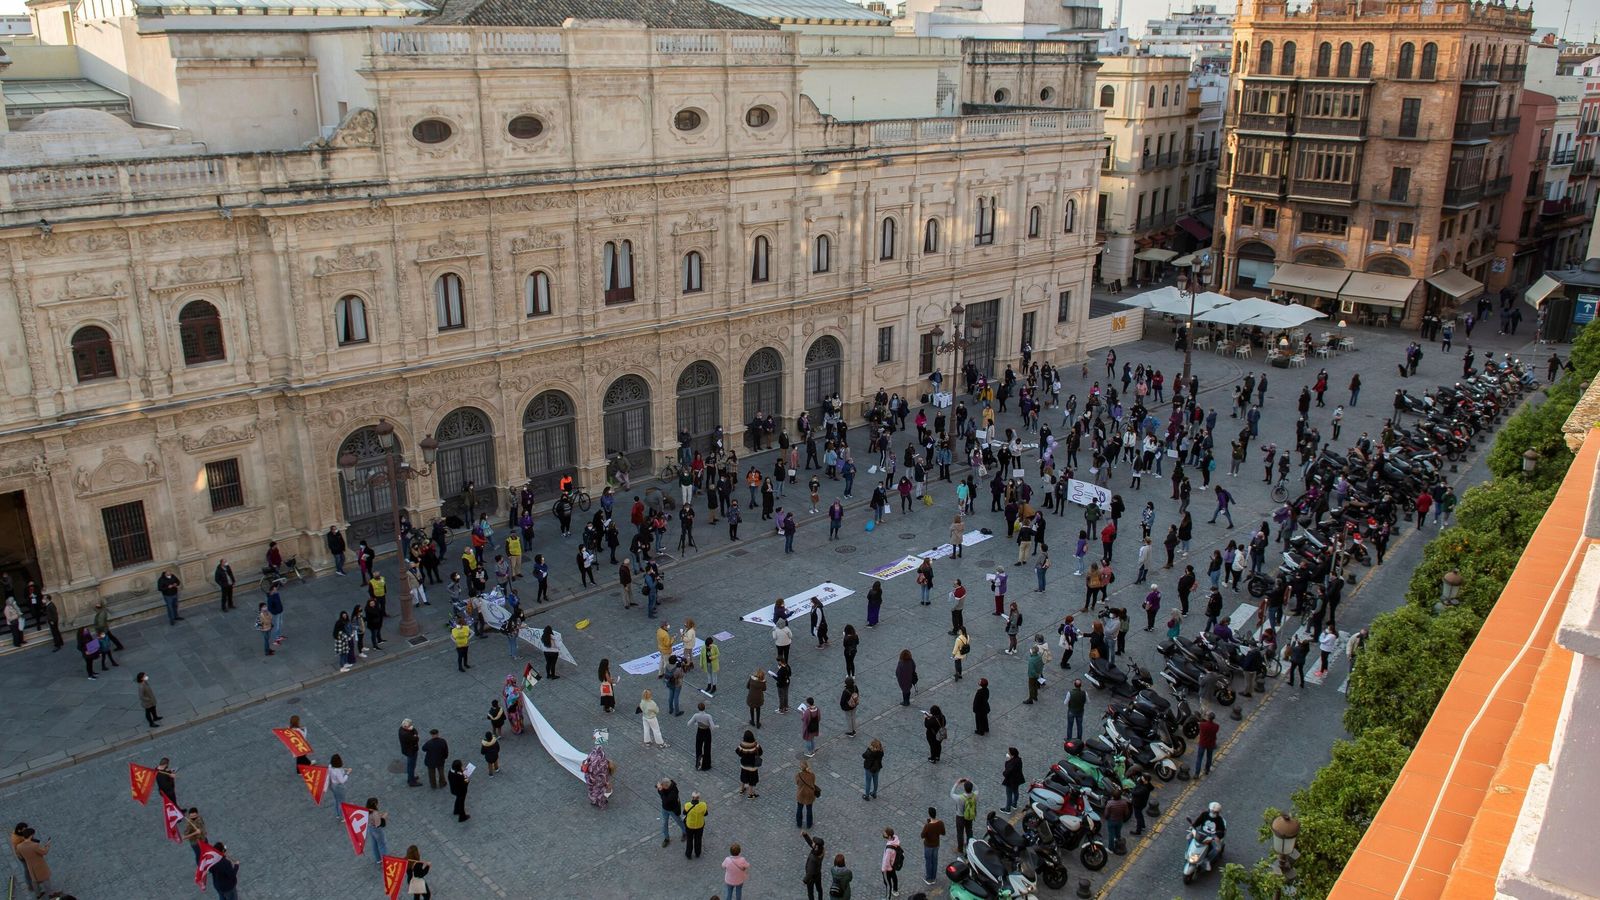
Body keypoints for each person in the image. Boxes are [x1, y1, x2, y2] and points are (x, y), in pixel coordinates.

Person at [1192, 801, 1228, 870]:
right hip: (1201, 833)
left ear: (1218, 812)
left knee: (1217, 850)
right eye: (1212, 811)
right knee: (1189, 838)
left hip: (1211, 837)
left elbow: (1222, 831)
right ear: (1209, 809)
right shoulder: (1204, 814)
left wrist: (1216, 836)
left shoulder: (1219, 820)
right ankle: (1188, 852)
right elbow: (1198, 821)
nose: (1213, 813)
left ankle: (1207, 860)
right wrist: (1193, 827)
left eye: (1215, 812)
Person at [582, 743, 614, 808]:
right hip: (599, 779)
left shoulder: (591, 755)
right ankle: (600, 803)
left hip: (590, 777)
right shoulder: (603, 760)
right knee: (599, 791)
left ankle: (594, 800)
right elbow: (604, 774)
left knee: (593, 790)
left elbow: (586, 764)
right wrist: (606, 782)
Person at [658, 778, 688, 846]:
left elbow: (666, 800)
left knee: (679, 821)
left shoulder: (674, 792)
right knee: (664, 823)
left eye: (663, 786)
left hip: (672, 810)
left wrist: (660, 790)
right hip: (665, 808)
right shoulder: (666, 786)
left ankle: (685, 832)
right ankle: (666, 838)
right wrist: (660, 789)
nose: (662, 787)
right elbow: (661, 793)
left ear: (667, 786)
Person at [1103, 788, 1133, 854]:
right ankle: (1117, 841)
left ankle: (1110, 848)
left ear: (1113, 796)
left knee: (1111, 834)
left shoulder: (1110, 803)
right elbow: (1126, 813)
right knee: (1118, 832)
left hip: (1111, 821)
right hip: (1120, 820)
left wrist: (1107, 818)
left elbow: (1106, 814)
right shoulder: (1124, 803)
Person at [690, 702, 716, 771]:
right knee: (707, 748)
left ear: (698, 708)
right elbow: (712, 727)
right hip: (706, 732)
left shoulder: (696, 715)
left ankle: (698, 764)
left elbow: (689, 723)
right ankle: (706, 765)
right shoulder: (708, 716)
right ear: (704, 708)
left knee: (698, 748)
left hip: (700, 731)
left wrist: (697, 723)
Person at [683, 791, 710, 859]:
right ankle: (698, 853)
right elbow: (706, 814)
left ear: (692, 797)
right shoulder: (703, 805)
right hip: (699, 825)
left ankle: (688, 854)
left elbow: (684, 813)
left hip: (690, 826)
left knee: (689, 840)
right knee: (698, 840)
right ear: (699, 798)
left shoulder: (687, 805)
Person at [795, 758, 819, 828]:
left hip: (801, 794)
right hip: (810, 794)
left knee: (799, 808)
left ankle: (799, 823)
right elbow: (813, 782)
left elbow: (797, 783)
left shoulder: (798, 775)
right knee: (809, 809)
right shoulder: (812, 775)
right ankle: (809, 824)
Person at [399, 719, 422, 787]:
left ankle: (411, 778)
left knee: (411, 765)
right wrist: (415, 736)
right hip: (411, 751)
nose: (411, 726)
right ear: (405, 727)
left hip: (409, 750)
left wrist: (414, 734)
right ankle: (411, 781)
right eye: (409, 726)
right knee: (411, 766)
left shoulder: (402, 729)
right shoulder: (405, 734)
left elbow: (415, 731)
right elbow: (416, 739)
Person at [1001, 747, 1025, 812]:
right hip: (1017, 780)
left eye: (1009, 753)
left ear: (1012, 755)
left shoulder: (1011, 763)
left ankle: (1007, 809)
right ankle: (1014, 804)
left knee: (1009, 795)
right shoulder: (1018, 760)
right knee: (1016, 792)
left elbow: (1006, 772)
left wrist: (1008, 761)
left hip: (1010, 781)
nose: (1008, 753)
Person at [880, 828, 902, 897]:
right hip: (893, 864)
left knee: (888, 881)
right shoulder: (895, 840)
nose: (884, 834)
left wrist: (883, 869)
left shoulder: (889, 849)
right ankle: (895, 890)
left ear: (889, 836)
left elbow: (886, 861)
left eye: (885, 833)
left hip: (888, 867)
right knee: (894, 877)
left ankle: (888, 896)